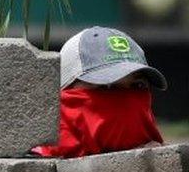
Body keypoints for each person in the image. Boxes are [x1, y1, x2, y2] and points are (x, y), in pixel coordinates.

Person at [34, 26, 166, 158]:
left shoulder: (161, 164)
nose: (127, 100)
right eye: (106, 87)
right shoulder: (28, 169)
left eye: (138, 86)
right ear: (64, 92)